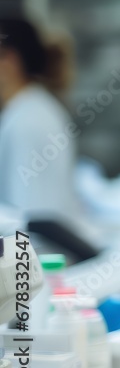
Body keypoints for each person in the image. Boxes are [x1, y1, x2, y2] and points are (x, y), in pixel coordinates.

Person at [0, 17, 80, 221]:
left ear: (10, 60)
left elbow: (31, 219)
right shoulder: (29, 109)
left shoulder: (27, 122)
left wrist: (20, 254)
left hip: (40, 250)